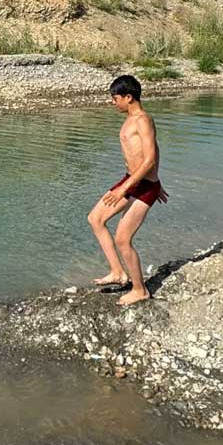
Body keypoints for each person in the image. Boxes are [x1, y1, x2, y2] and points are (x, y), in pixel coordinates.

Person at [88, 75, 168, 306]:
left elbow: (150, 157)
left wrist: (128, 188)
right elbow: (150, 152)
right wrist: (155, 181)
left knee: (123, 239)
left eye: (116, 98)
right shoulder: (131, 119)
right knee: (95, 219)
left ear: (128, 97)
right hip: (134, 181)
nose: (113, 103)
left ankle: (140, 290)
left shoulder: (143, 120)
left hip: (140, 186)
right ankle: (117, 272)